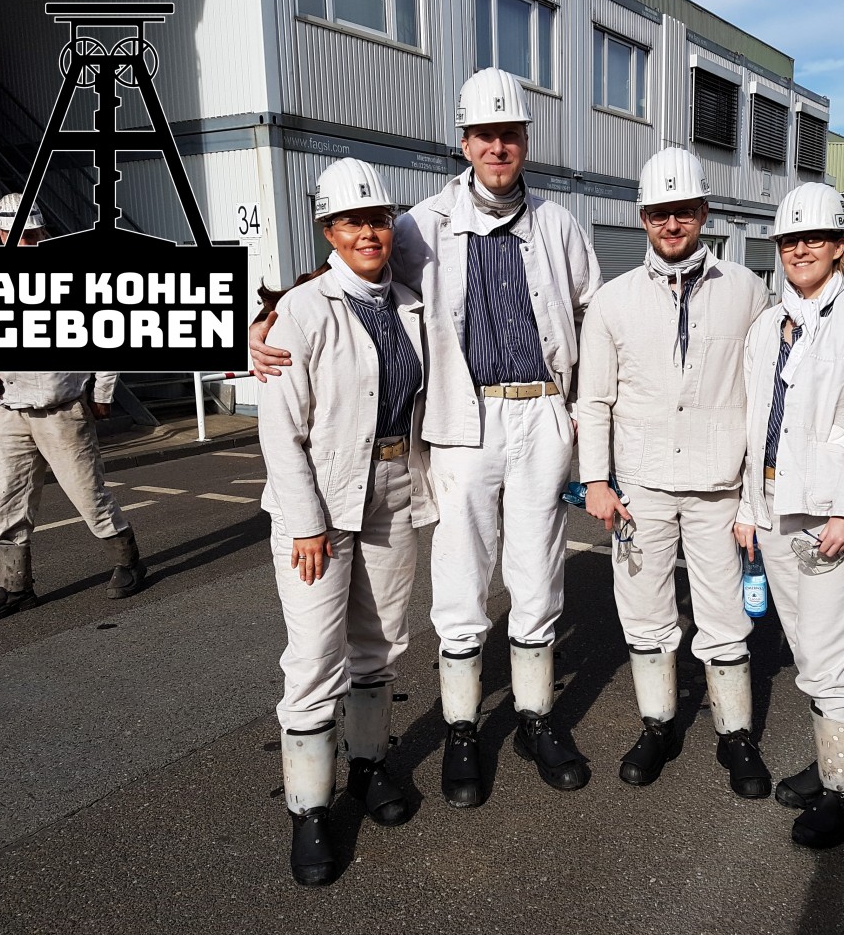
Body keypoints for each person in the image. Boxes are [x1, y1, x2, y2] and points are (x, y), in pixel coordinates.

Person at [251, 67, 602, 808]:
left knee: (538, 568)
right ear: (465, 142)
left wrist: (592, 420)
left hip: (542, 408)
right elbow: (354, 265)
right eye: (485, 135)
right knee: (462, 573)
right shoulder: (420, 222)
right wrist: (269, 316)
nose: (498, 147)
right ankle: (465, 728)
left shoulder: (562, 224)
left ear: (524, 140)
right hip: (463, 415)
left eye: (509, 134)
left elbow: (591, 318)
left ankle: (536, 718)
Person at [257, 158, 435, 886]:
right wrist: (304, 521)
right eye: (352, 221)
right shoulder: (304, 310)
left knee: (381, 643)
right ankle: (309, 807)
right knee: (313, 658)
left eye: (377, 219)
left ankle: (367, 767)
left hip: (396, 484)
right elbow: (280, 428)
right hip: (321, 505)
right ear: (329, 230)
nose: (368, 232)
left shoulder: (412, 302)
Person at [576, 147, 771, 797]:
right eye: (660, 212)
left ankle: (735, 734)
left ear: (704, 212)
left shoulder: (746, 290)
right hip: (641, 487)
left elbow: (768, 392)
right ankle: (658, 725)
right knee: (645, 609)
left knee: (722, 614)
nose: (672, 222)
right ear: (643, 218)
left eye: (683, 210)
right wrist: (596, 480)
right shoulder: (613, 302)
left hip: (718, 486)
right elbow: (594, 399)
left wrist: (756, 500)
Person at [734, 182, 844, 849]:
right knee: (807, 648)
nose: (801, 249)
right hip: (776, 509)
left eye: (815, 239)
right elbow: (756, 422)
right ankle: (834, 757)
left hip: (832, 515)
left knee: (831, 656)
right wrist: (750, 507)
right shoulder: (767, 327)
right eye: (790, 240)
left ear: (841, 247)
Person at [0, 194, 145, 622]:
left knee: (89, 496)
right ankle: (15, 587)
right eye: (16, 236)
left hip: (62, 410)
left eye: (33, 235)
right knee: (6, 501)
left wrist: (102, 396)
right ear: (1, 234)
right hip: (8, 408)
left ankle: (129, 562)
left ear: (43, 232)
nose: (25, 244)